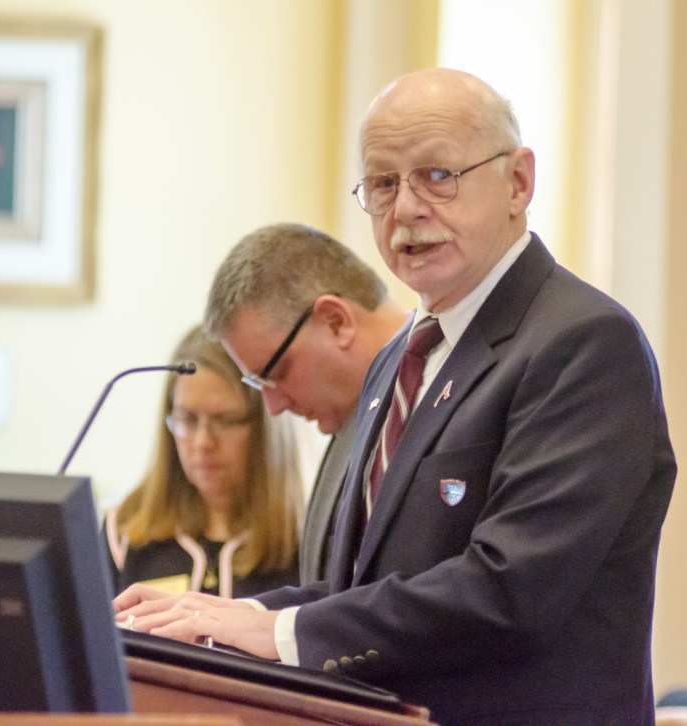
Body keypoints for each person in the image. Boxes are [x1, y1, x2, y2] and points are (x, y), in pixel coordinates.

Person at [113, 68, 677, 725]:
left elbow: (508, 590)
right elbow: (370, 591)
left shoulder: (582, 342)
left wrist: (279, 634)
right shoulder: (401, 360)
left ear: (518, 182)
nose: (406, 209)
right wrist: (242, 614)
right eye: (383, 184)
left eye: (438, 174)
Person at [202, 222, 408, 583]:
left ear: (335, 322)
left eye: (277, 372)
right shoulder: (355, 418)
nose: (274, 407)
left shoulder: (440, 393)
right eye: (258, 384)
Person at [103, 324, 304, 599]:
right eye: (188, 419)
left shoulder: (307, 538)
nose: (202, 443)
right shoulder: (124, 530)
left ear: (265, 429)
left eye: (226, 420)